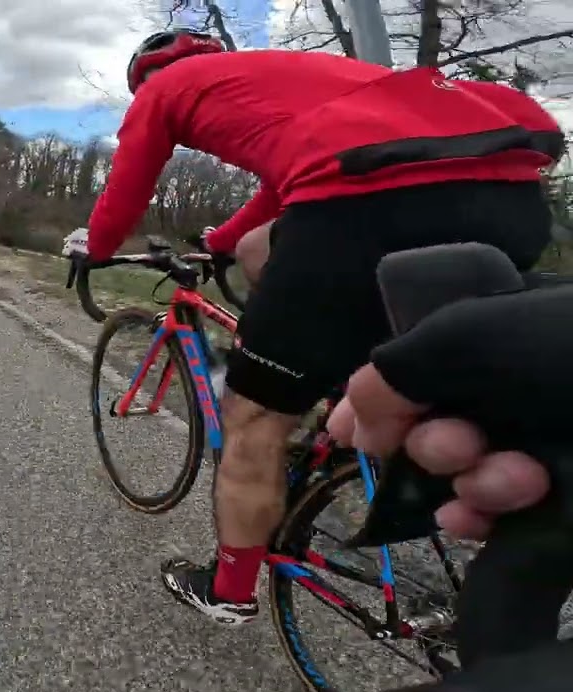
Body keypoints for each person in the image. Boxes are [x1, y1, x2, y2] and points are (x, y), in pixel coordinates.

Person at [65, 28, 564, 624]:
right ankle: (339, 399)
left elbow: (127, 187)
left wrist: (94, 247)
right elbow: (280, 195)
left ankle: (227, 591)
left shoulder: (163, 87)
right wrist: (217, 243)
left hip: (367, 209)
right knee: (265, 252)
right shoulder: (300, 79)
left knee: (253, 418)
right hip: (512, 198)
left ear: (143, 76)